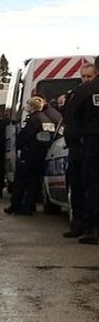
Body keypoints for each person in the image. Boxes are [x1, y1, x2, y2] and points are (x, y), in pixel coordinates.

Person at [62, 62, 97, 238]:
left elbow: (71, 119)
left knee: (90, 187)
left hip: (87, 146)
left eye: (89, 76)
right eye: (83, 76)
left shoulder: (82, 93)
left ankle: (89, 227)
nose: (85, 79)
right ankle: (79, 224)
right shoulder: (77, 92)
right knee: (78, 188)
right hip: (80, 148)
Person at [4, 97, 55, 215]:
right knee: (34, 182)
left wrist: (20, 148)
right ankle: (29, 205)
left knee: (20, 181)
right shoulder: (47, 120)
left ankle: (15, 205)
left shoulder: (32, 120)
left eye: (27, 105)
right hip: (41, 155)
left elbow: (23, 138)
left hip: (29, 155)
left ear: (31, 107)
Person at [71, 57, 99, 245]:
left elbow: (72, 118)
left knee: (93, 186)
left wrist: (75, 143)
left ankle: (93, 229)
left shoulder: (86, 90)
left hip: (93, 143)